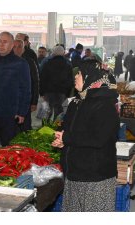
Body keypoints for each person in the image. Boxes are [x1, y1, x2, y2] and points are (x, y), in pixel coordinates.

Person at [52, 59, 120, 212]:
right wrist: (63, 141)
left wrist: (67, 138)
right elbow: (70, 131)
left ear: (90, 77)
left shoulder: (105, 105)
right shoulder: (76, 102)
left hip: (95, 178)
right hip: (73, 174)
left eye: (80, 74)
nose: (75, 77)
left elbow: (98, 138)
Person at [0, 31, 31, 147]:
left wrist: (22, 112)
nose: (1, 44)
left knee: (8, 149)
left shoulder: (21, 64)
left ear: (12, 44)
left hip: (10, 115)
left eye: (5, 42)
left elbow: (26, 89)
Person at [39, 45, 74, 120]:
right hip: (62, 92)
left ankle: (46, 129)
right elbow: (70, 80)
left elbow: (43, 78)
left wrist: (41, 92)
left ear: (53, 53)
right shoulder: (68, 64)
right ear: (63, 53)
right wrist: (68, 93)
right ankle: (57, 129)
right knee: (59, 113)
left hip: (48, 92)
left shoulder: (47, 63)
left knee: (47, 112)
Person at [13, 39, 39, 131]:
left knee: (25, 128)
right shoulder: (7, 61)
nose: (16, 49)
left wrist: (34, 102)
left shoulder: (29, 62)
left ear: (23, 49)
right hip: (12, 102)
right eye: (14, 47)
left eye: (19, 47)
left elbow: (35, 82)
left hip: (25, 101)